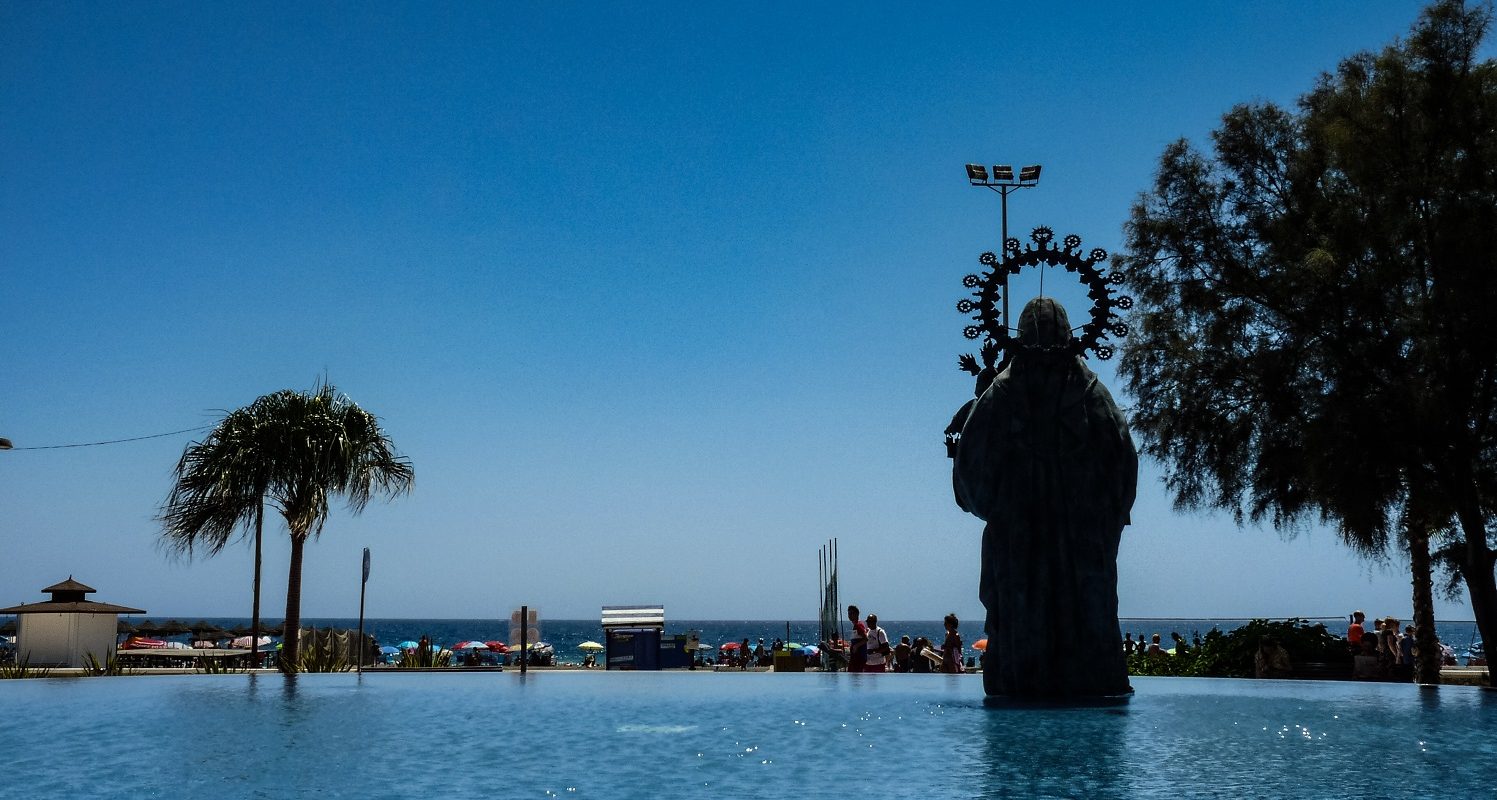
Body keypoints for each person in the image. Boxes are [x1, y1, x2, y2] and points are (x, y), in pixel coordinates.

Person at [952, 297, 1137, 698]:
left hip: (1022, 530)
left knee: (1021, 605)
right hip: (1078, 531)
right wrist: (1108, 515)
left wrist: (993, 504)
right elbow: (1122, 459)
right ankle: (1090, 679)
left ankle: (1023, 679)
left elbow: (970, 468)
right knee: (1085, 605)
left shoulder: (1001, 393)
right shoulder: (1092, 393)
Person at [847, 605, 868, 673]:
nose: (850, 615)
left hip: (859, 657)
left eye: (852, 613)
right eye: (849, 613)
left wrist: (856, 646)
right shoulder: (855, 625)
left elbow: (865, 639)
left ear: (857, 614)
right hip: (855, 657)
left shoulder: (858, 625)